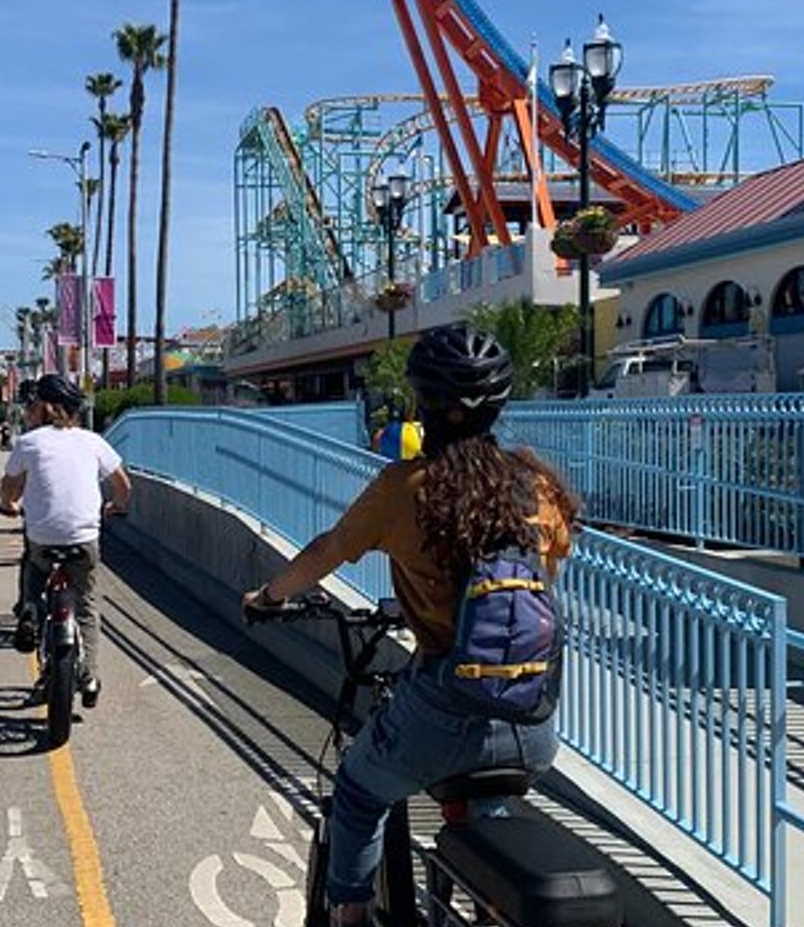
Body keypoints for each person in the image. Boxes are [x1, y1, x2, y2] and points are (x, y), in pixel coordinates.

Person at [242, 326, 579, 924]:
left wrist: (268, 595)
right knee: (490, 814)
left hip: (443, 710)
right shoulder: (537, 487)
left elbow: (326, 552)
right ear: (498, 407)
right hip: (533, 718)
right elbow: (529, 582)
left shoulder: (404, 488)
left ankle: (348, 916)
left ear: (421, 407)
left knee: (358, 792)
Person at [0, 373, 130, 706]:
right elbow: (123, 484)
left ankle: (30, 612)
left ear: (43, 407)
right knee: (86, 605)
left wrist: (9, 505)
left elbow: (9, 486)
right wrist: (117, 505)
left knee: (34, 576)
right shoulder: (93, 441)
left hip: (42, 538)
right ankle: (89, 678)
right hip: (84, 539)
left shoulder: (29, 443)